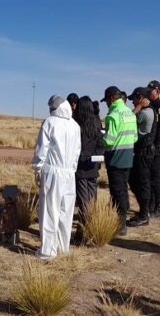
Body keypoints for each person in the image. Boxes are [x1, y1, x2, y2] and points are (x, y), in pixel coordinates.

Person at [32, 95, 81, 260]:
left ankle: (47, 251)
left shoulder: (49, 123)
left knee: (49, 211)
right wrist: (72, 169)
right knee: (65, 212)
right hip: (69, 174)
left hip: (52, 171)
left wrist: (38, 169)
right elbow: (77, 152)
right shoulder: (75, 126)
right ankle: (62, 247)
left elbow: (42, 149)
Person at [101, 86, 137, 236]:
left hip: (115, 158)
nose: (106, 105)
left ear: (110, 99)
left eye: (106, 102)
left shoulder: (113, 116)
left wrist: (99, 137)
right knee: (123, 188)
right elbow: (135, 137)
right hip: (128, 157)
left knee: (117, 191)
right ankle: (121, 217)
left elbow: (109, 140)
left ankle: (120, 224)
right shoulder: (130, 113)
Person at [126, 88, 157, 227]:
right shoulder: (147, 111)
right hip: (142, 151)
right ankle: (144, 211)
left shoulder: (145, 112)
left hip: (144, 152)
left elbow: (127, 120)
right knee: (135, 181)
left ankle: (145, 214)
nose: (132, 102)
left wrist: (138, 107)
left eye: (134, 99)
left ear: (140, 98)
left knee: (142, 182)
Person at [72, 96, 105, 230]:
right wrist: (95, 157)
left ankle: (84, 230)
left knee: (83, 200)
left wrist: (82, 156)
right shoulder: (96, 123)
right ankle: (92, 226)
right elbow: (101, 145)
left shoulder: (75, 125)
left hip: (80, 167)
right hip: (92, 167)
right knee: (92, 198)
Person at [145, 80, 160, 218]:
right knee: (148, 178)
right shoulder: (149, 105)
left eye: (151, 90)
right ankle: (150, 205)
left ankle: (158, 206)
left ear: (157, 91)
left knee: (155, 178)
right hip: (148, 146)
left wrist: (155, 144)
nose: (148, 92)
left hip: (156, 147)